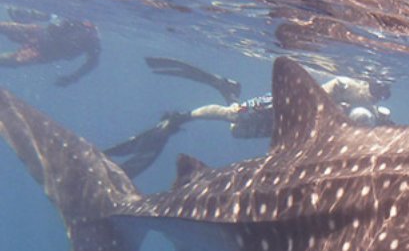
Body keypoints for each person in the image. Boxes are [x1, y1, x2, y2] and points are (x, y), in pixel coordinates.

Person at [105, 58, 394, 177]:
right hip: (281, 105)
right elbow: (319, 92)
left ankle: (226, 89)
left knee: (236, 131)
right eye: (378, 89)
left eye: (382, 93)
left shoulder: (369, 107)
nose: (377, 94)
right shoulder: (347, 85)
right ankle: (184, 116)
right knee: (234, 114)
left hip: (291, 121)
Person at [0, 8, 101, 86]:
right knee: (5, 27)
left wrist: (73, 77)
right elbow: (49, 16)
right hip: (39, 33)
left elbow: (92, 62)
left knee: (14, 60)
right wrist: (30, 14)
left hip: (44, 52)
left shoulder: (93, 39)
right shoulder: (75, 17)